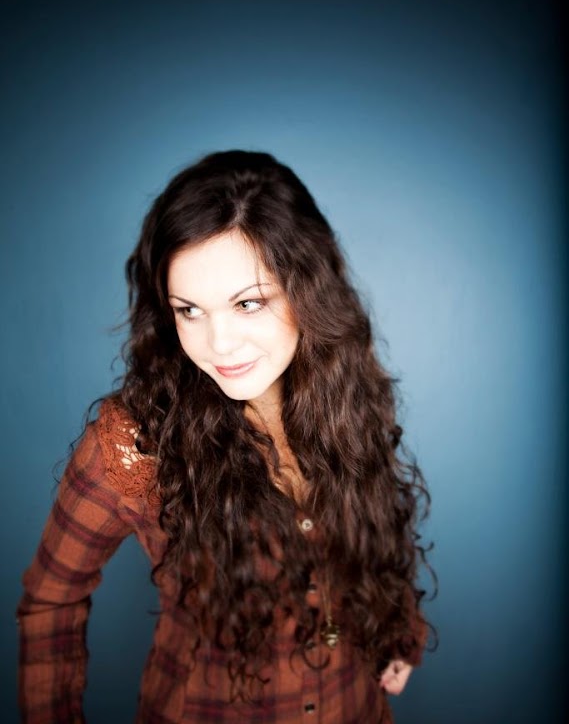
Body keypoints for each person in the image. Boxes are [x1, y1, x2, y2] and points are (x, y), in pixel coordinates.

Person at [17, 150, 435, 723]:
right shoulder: (134, 443)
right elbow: (50, 600)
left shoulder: (347, 393)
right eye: (189, 310)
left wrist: (399, 625)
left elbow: (373, 518)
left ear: (307, 291)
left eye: (248, 303)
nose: (218, 344)